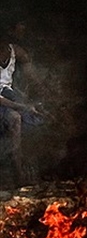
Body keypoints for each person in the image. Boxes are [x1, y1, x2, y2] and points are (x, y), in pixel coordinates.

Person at [0, 18, 43, 185]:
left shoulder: (15, 51)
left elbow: (34, 79)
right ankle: (18, 174)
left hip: (6, 94)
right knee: (14, 118)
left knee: (38, 117)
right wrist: (23, 106)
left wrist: (44, 94)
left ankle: (27, 168)